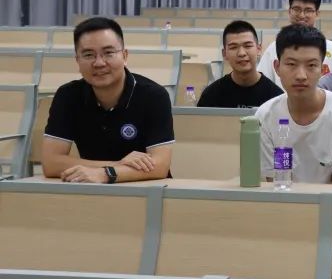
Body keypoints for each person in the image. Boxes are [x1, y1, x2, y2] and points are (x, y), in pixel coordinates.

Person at [42, 17, 173, 183]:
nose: (99, 63)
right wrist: (115, 166)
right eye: (88, 55)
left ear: (124, 56)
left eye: (108, 53)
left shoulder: (154, 96)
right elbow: (51, 163)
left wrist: (106, 174)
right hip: (91, 188)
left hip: (147, 189)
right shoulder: (67, 95)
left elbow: (160, 166)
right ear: (77, 61)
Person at [256, 25, 332, 184]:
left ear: (323, 69)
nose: (301, 76)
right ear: (277, 68)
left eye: (311, 65)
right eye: (291, 64)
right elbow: (276, 183)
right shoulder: (265, 116)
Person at [257, 0, 332, 86]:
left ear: (317, 13)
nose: (302, 15)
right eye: (297, 9)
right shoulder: (274, 47)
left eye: (308, 10)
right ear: (289, 11)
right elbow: (263, 84)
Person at [197, 20, 283, 108]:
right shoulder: (211, 95)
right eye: (233, 47)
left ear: (259, 49)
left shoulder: (276, 97)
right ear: (224, 54)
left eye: (248, 46)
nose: (241, 53)